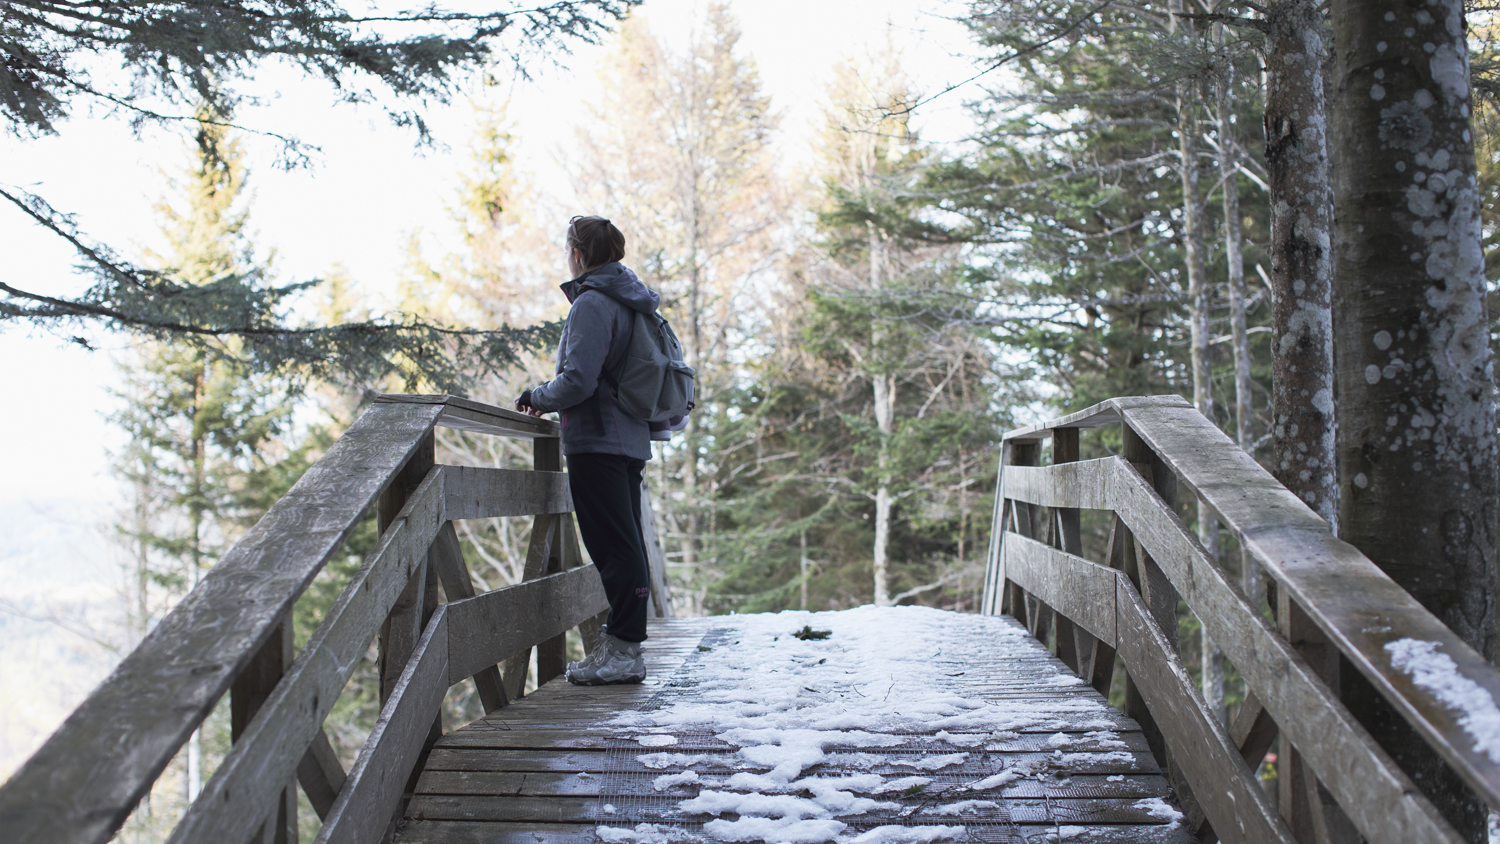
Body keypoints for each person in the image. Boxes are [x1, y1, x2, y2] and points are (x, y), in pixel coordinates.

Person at [515, 215, 658, 686]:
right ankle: (620, 645)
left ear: (577, 254)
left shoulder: (593, 303)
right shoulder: (630, 300)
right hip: (628, 437)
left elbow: (577, 381)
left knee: (613, 545)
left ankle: (624, 651)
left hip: (599, 439)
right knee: (624, 540)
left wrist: (535, 396)